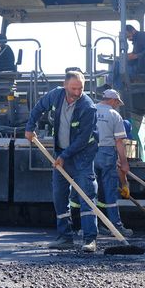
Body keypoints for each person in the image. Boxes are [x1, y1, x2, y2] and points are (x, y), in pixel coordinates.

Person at [25, 71, 99, 252]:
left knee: (86, 194)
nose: (78, 92)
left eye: (81, 88)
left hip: (82, 154)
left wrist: (64, 156)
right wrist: (30, 127)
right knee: (59, 195)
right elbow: (38, 107)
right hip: (61, 152)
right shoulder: (56, 95)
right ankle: (65, 237)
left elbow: (83, 139)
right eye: (74, 88)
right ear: (65, 85)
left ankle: (90, 239)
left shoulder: (88, 107)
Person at [94, 89, 133, 237]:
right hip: (106, 153)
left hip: (90, 153)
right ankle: (115, 227)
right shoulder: (114, 115)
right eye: (117, 102)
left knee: (92, 191)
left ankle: (91, 227)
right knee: (109, 191)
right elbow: (119, 142)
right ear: (112, 100)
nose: (117, 105)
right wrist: (124, 163)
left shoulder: (90, 110)